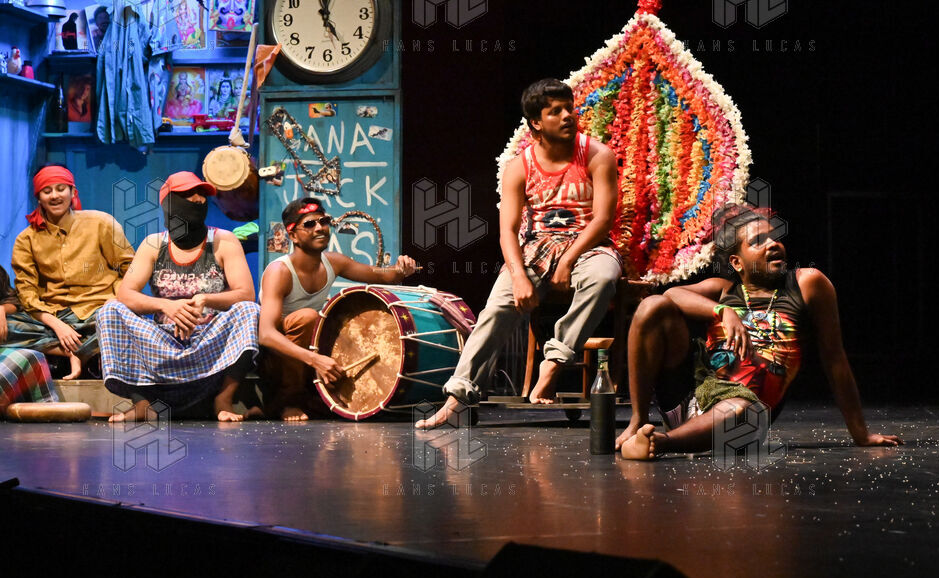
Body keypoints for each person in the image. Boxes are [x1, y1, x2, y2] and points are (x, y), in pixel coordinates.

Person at [616, 204, 901, 459]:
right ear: (737, 262)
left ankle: (660, 443)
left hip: (742, 416)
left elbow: (834, 359)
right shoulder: (724, 290)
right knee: (652, 306)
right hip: (690, 399)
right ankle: (638, 422)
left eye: (774, 237)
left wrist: (860, 434)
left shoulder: (806, 284)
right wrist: (723, 311)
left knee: (741, 409)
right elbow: (672, 295)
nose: (772, 244)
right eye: (757, 241)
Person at [417, 78, 620, 429]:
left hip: (588, 244)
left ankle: (554, 361)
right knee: (497, 307)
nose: (567, 116)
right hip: (537, 245)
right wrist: (519, 275)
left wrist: (569, 259)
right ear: (536, 123)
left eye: (569, 108)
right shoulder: (519, 167)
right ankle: (457, 398)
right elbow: (508, 231)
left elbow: (603, 220)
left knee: (602, 278)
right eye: (555, 111)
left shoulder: (597, 155)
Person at [96, 171, 261, 423]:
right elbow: (126, 293)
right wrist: (166, 306)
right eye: (188, 195)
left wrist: (205, 299)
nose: (198, 200)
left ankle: (223, 399)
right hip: (163, 341)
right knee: (110, 310)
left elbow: (245, 293)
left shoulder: (223, 240)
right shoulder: (154, 244)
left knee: (249, 310)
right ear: (169, 204)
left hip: (209, 339)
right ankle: (142, 404)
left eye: (201, 194)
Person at [258, 197, 419, 421]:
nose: (319, 228)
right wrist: (315, 360)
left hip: (307, 353)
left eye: (323, 221)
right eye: (309, 224)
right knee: (308, 318)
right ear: (293, 235)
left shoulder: (333, 262)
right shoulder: (280, 271)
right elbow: (266, 334)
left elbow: (383, 275)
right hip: (275, 359)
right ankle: (286, 402)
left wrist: (401, 269)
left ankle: (309, 399)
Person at [9, 165, 134, 379]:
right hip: (52, 316)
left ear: (73, 192)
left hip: (98, 311)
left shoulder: (100, 223)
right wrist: (58, 326)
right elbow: (27, 293)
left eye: (61, 189)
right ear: (38, 198)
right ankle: (75, 352)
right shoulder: (26, 239)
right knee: (7, 327)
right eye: (47, 191)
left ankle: (79, 348)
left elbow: (129, 268)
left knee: (125, 321)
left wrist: (116, 301)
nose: (54, 196)